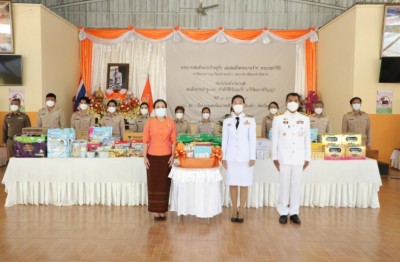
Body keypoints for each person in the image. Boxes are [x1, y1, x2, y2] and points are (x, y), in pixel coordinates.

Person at [271, 92, 311, 225]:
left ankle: (294, 212)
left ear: (299, 103)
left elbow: (307, 140)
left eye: (295, 100)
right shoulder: (278, 118)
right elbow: (275, 139)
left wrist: (307, 158)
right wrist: (275, 157)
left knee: (296, 185)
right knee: (284, 184)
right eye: (290, 100)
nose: (292, 102)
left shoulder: (305, 119)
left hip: (299, 157)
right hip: (283, 157)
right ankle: (283, 211)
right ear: (286, 102)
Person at [222, 95, 256, 223]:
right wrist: (223, 157)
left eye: (240, 102)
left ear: (244, 104)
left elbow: (252, 139)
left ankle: (241, 209)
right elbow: (225, 140)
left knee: (244, 183)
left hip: (245, 158)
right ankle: (234, 208)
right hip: (231, 158)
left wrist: (252, 156)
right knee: (233, 183)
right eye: (235, 102)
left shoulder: (250, 120)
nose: (237, 104)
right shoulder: (227, 121)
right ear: (231, 104)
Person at [143, 99, 177, 221]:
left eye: (163, 106)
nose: (160, 108)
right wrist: (144, 156)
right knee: (154, 184)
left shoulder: (171, 122)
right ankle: (155, 211)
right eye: (158, 106)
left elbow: (173, 141)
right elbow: (145, 140)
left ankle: (163, 211)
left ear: (166, 108)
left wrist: (173, 155)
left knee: (164, 184)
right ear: (154, 109)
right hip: (152, 157)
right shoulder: (150, 122)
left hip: (166, 157)